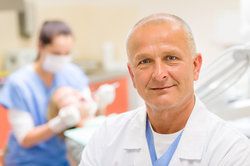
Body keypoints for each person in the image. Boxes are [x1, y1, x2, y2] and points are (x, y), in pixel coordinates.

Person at [79, 13, 250, 166]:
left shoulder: (232, 151)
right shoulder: (107, 136)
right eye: (145, 61)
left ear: (195, 66)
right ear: (132, 75)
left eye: (171, 58)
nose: (159, 74)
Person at [0, 20, 92, 165]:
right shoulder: (19, 83)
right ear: (40, 47)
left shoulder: (72, 73)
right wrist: (58, 123)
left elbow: (87, 116)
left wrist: (99, 104)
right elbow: (25, 138)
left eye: (67, 53)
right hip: (29, 160)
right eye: (56, 53)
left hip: (64, 157)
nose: (62, 59)